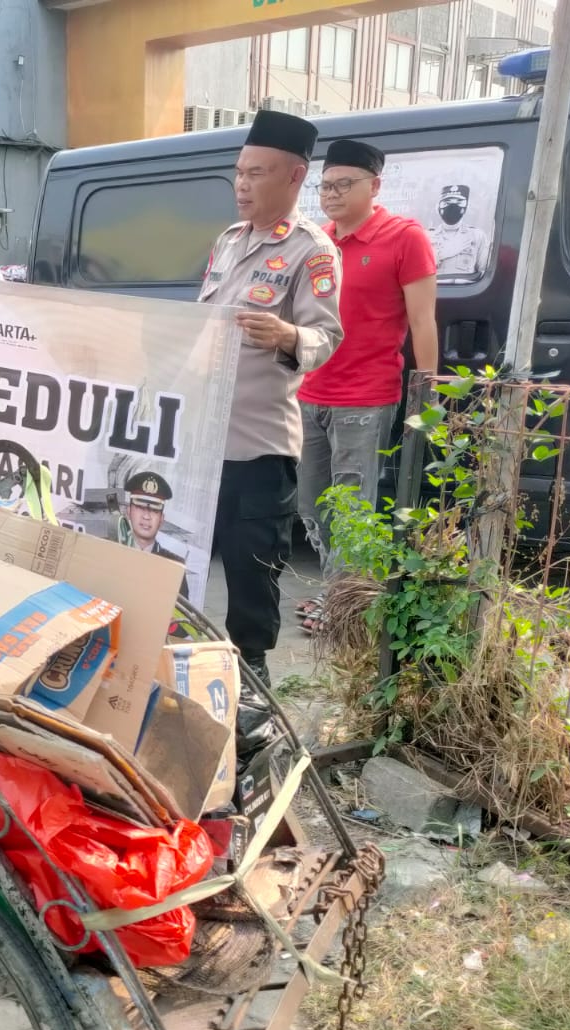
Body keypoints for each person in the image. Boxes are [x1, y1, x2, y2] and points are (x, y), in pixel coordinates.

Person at [197, 110, 343, 682]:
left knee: (251, 579)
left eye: (257, 173)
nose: (242, 184)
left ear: (294, 176)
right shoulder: (229, 241)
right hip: (204, 439)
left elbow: (327, 336)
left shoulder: (313, 251)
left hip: (258, 448)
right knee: (185, 567)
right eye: (239, 172)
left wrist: (288, 335)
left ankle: (252, 689)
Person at [296, 139, 438, 628]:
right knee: (312, 502)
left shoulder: (404, 237)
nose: (331, 194)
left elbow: (423, 322)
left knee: (353, 506)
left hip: (365, 396)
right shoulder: (318, 240)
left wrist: (428, 389)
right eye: (325, 185)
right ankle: (344, 592)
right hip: (309, 391)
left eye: (343, 184)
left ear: (374, 186)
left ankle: (345, 607)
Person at [117, 471, 185, 564]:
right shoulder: (111, 552)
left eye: (154, 510)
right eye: (140, 507)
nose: (146, 516)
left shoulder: (174, 564)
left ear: (161, 519)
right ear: (128, 511)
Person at [428, 183, 491, 283]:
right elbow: (416, 271)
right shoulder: (426, 237)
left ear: (466, 206)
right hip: (435, 295)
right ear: (438, 206)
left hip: (466, 295)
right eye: (447, 201)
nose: (453, 206)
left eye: (459, 201)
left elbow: (485, 274)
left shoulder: (477, 236)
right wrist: (443, 254)